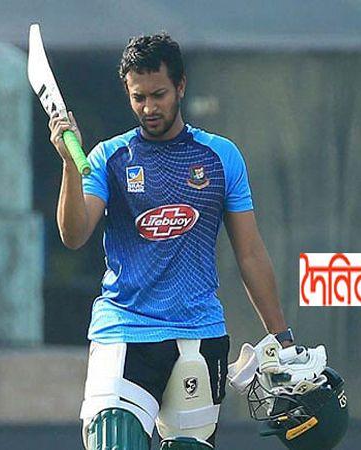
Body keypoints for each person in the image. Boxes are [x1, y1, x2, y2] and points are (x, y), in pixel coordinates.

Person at [48, 32, 295, 450]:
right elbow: (74, 234)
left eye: (158, 95)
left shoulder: (221, 157)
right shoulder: (110, 157)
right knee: (115, 439)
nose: (148, 108)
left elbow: (251, 254)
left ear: (180, 86)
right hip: (125, 331)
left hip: (199, 333)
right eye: (138, 97)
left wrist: (282, 338)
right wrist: (71, 167)